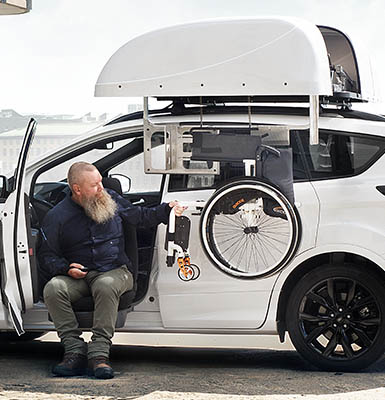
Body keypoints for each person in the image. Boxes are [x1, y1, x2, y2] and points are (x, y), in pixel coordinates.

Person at [38, 161, 186, 379]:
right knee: (53, 288)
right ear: (77, 189)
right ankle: (74, 351)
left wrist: (167, 210)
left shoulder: (110, 198)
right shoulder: (57, 216)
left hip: (116, 271)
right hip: (80, 275)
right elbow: (46, 256)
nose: (101, 188)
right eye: (95, 185)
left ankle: (99, 354)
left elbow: (140, 216)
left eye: (100, 182)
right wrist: (65, 268)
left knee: (105, 285)